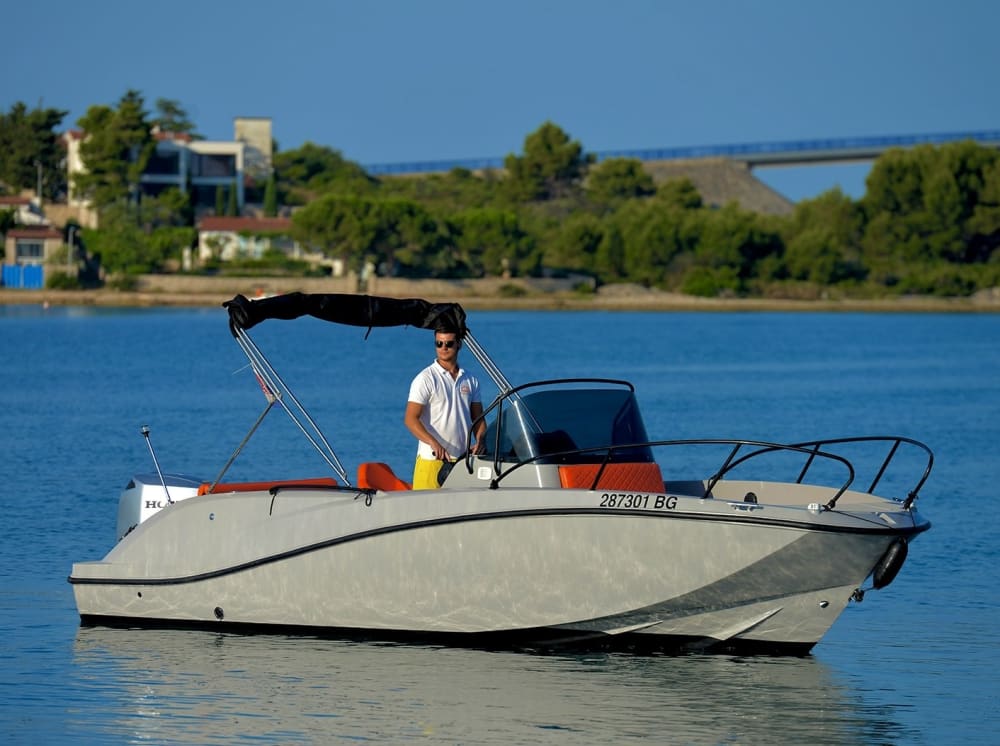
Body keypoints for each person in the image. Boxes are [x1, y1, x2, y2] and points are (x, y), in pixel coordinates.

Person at [404, 326, 486, 489]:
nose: (443, 348)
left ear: (459, 344)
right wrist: (433, 443)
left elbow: (479, 419)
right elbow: (410, 419)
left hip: (462, 463)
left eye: (448, 343)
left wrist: (481, 440)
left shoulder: (470, 379)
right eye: (439, 343)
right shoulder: (425, 379)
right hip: (431, 461)